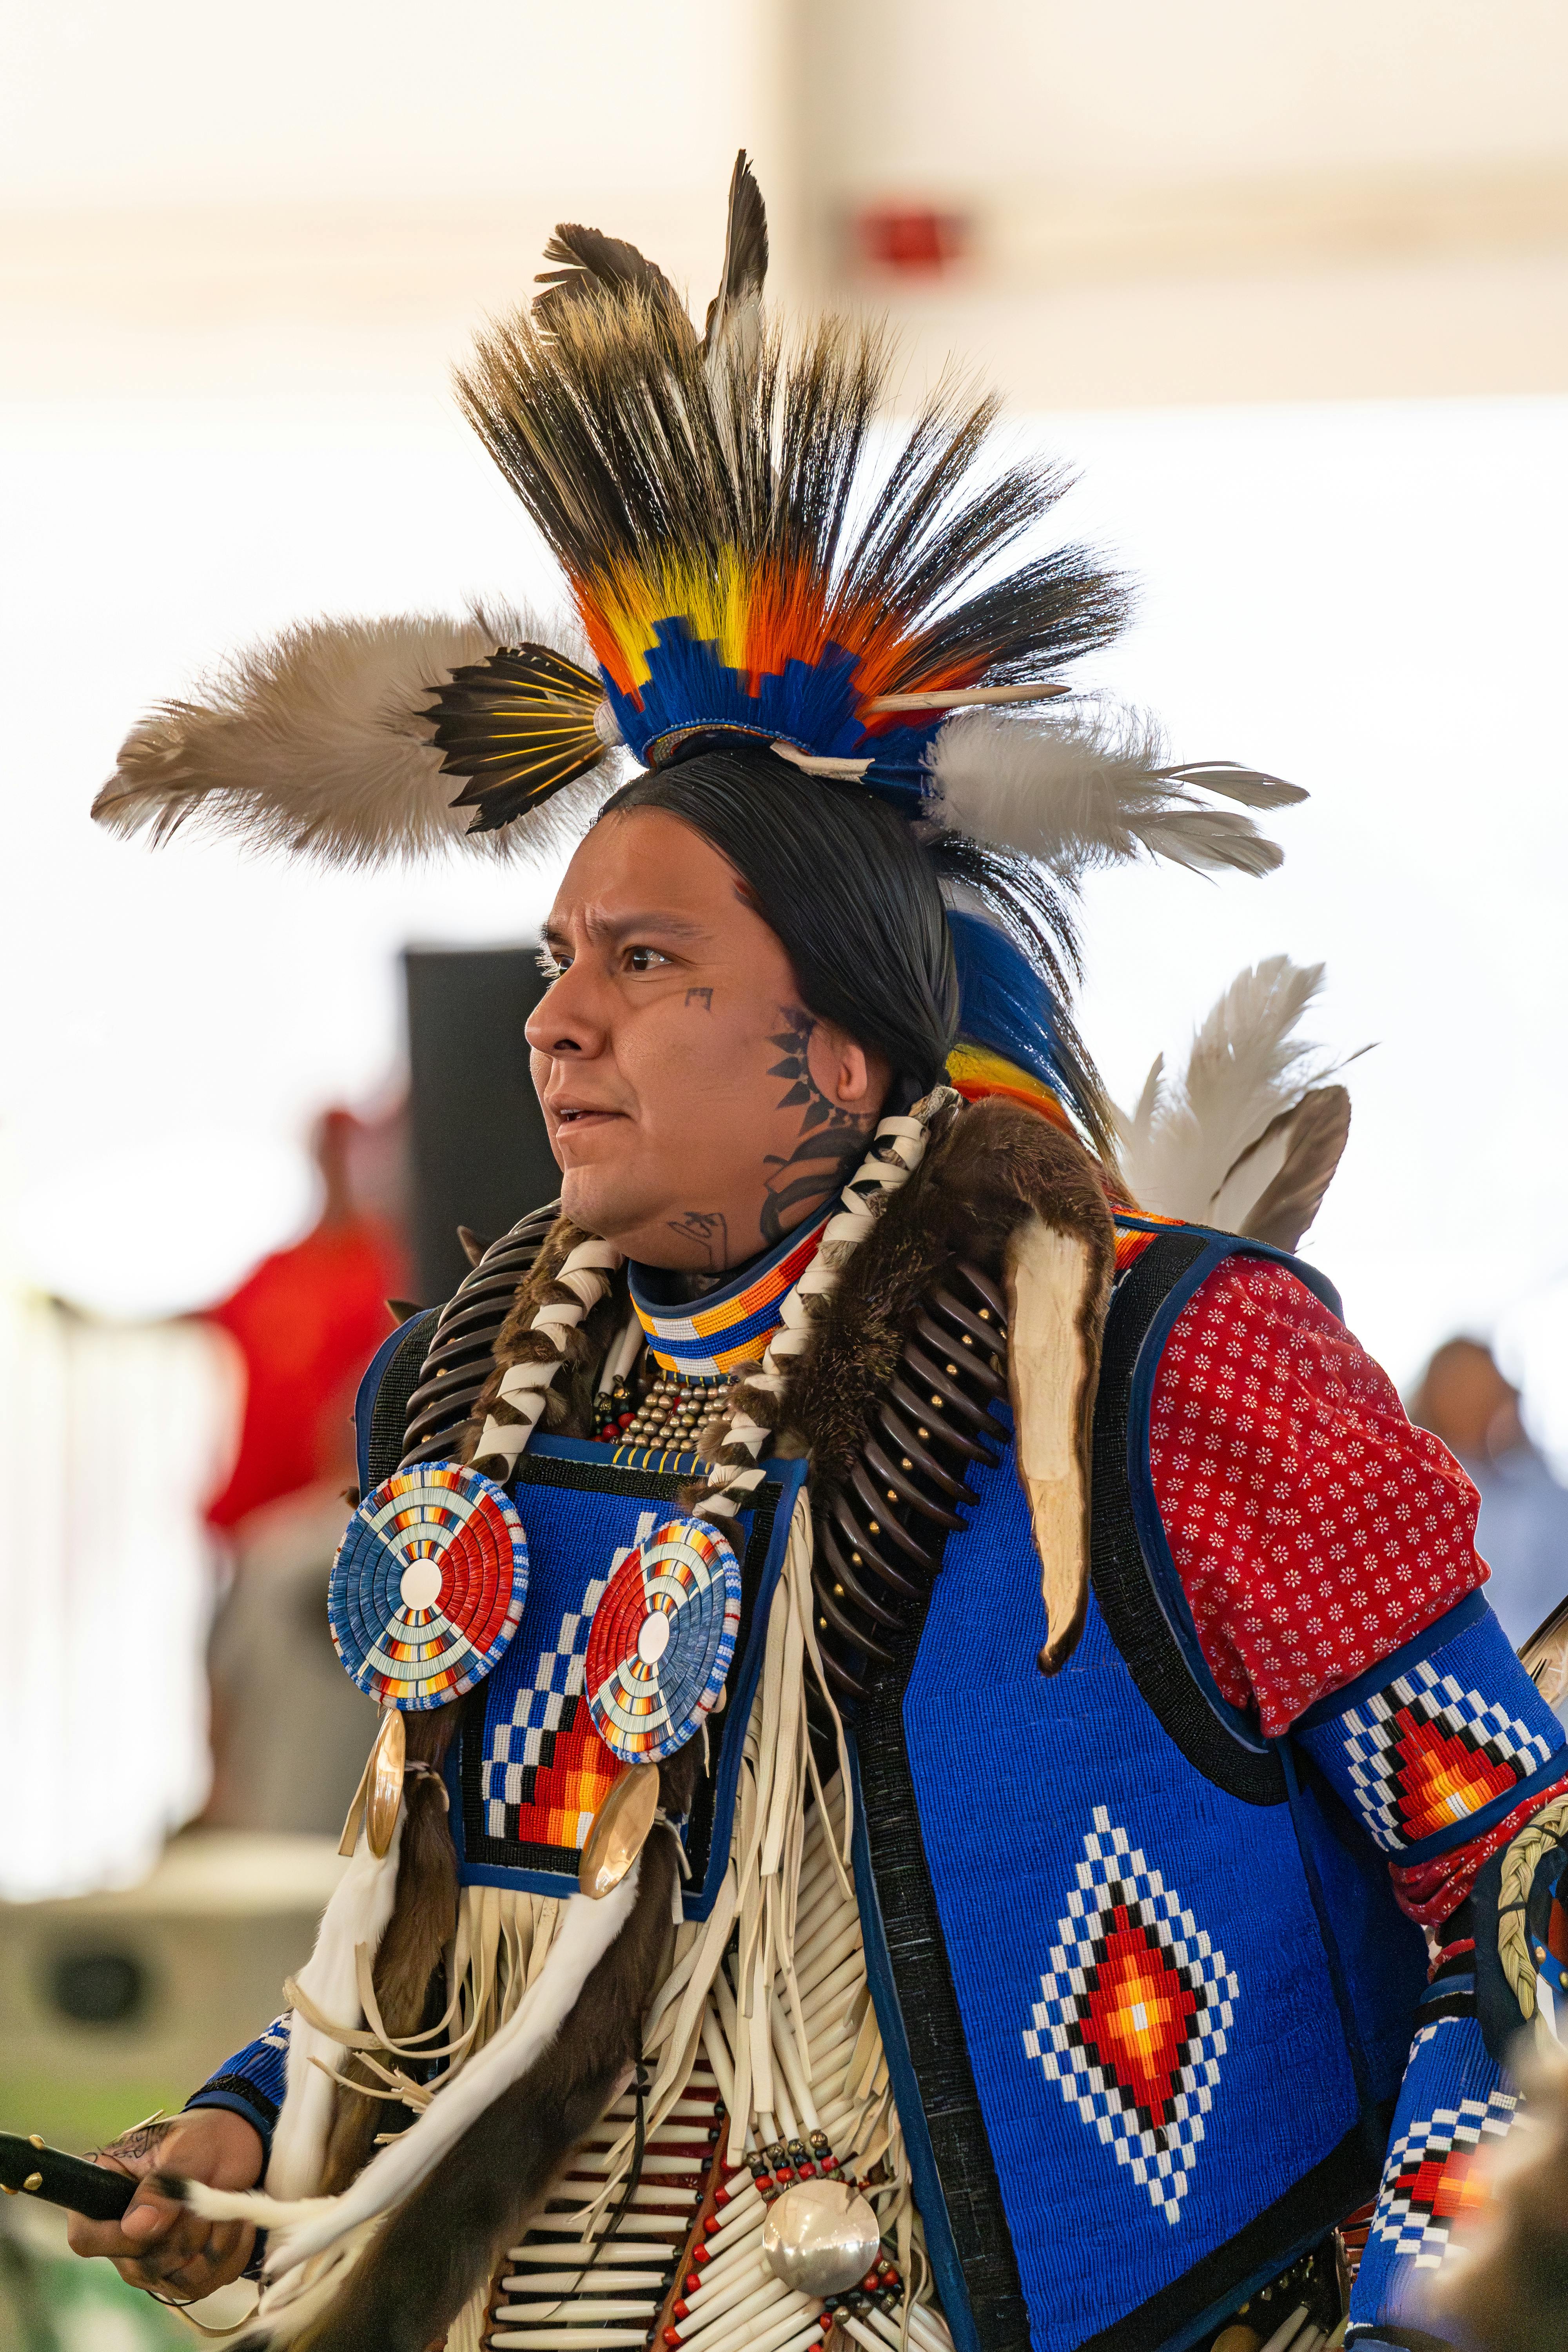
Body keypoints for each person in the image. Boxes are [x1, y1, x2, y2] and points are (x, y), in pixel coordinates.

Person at [69, 156, 1568, 2352]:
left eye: (649, 959)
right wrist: (247, 2125)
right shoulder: (503, 1417)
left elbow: (1516, 1882)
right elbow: (492, 1937)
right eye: (564, 953)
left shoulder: (1165, 1378)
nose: (557, 1014)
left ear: (840, 1053)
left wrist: (1434, 2302)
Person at [1410, 1336, 1568, 1652]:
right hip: (1496, 1669)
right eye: (1461, 1384)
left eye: (1488, 1384)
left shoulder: (1525, 1482)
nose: (1479, 1398)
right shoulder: (1427, 1495)